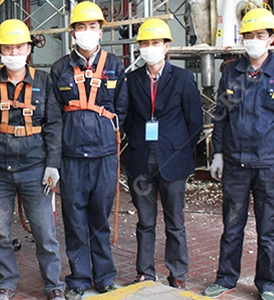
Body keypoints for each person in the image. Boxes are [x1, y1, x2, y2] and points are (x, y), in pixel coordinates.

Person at [203, 8, 274, 300]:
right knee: (232, 226)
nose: (253, 40)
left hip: (270, 165)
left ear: (271, 39)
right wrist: (218, 153)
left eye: (260, 35)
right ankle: (225, 278)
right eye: (249, 35)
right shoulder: (232, 72)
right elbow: (221, 115)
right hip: (235, 163)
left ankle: (267, 284)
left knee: (268, 231)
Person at [0, 19, 65, 300]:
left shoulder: (44, 81)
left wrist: (52, 164)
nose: (13, 52)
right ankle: (7, 282)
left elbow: (54, 126)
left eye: (18, 47)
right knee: (0, 233)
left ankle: (53, 285)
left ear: (28, 49)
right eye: (7, 47)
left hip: (35, 169)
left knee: (45, 232)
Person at [49, 2, 127, 298]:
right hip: (72, 158)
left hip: (105, 156)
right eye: (81, 27)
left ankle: (105, 277)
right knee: (75, 219)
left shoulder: (115, 66)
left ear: (101, 30)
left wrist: (106, 136)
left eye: (92, 27)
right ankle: (79, 279)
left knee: (100, 218)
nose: (87, 32)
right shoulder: (60, 68)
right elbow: (54, 115)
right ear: (72, 32)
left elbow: (122, 109)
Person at [122, 18, 202, 289]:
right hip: (140, 158)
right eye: (145, 43)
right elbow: (127, 118)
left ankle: (177, 272)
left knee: (174, 221)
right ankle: (145, 271)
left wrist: (180, 149)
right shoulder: (131, 80)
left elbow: (195, 122)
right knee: (145, 221)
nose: (149, 48)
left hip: (173, 159)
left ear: (166, 46)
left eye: (155, 43)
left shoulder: (183, 78)